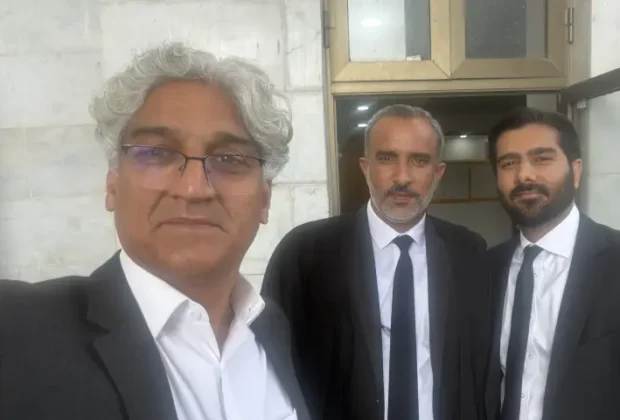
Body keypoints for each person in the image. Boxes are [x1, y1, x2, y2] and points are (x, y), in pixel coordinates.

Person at [0, 43, 309, 420]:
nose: (194, 189)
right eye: (157, 154)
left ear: (264, 199)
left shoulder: (271, 328)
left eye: (230, 159)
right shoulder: (18, 329)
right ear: (112, 186)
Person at [262, 105, 492, 420]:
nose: (402, 177)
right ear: (365, 167)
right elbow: (272, 367)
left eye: (419, 160)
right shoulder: (306, 254)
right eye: (387, 158)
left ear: (438, 173)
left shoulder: (468, 253)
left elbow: (480, 370)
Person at [484, 107, 620, 420]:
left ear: (576, 170)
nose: (524, 175)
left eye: (542, 158)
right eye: (508, 163)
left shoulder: (614, 260)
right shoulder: (486, 268)